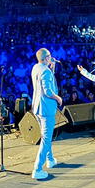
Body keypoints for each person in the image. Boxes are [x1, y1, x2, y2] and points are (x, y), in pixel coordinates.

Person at [31, 48, 62, 180]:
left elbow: (46, 82)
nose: (52, 57)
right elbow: (48, 92)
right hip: (46, 109)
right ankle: (37, 169)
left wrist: (52, 70)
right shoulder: (46, 72)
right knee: (46, 138)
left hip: (37, 107)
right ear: (45, 58)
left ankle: (50, 160)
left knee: (45, 135)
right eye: (50, 56)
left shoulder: (36, 67)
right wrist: (58, 98)